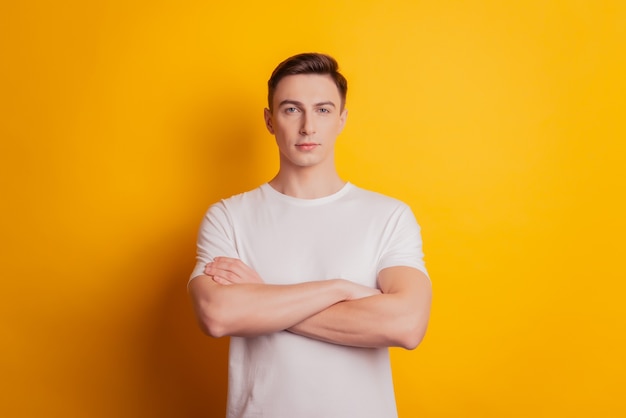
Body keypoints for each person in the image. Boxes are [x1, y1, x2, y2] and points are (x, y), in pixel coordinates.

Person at [188, 52, 432, 418]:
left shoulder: (388, 216)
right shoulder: (229, 217)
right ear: (270, 121)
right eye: (291, 110)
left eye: (322, 110)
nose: (307, 127)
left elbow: (407, 324)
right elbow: (218, 315)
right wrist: (343, 289)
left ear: (341, 119)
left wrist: (262, 299)